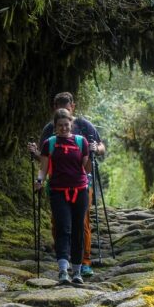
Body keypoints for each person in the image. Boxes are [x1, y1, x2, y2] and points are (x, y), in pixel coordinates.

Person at [28, 92, 105, 277]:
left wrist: (95, 149)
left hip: (82, 183)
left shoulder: (84, 127)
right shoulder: (49, 131)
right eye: (59, 106)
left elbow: (99, 149)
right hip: (58, 183)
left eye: (67, 106)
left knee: (82, 223)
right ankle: (64, 261)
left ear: (73, 108)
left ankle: (84, 262)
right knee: (60, 224)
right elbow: (45, 157)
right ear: (54, 108)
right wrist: (35, 157)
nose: (63, 110)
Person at [35, 109, 89, 284]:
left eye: (66, 125)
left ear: (71, 124)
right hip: (58, 191)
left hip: (80, 191)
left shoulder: (82, 142)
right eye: (60, 125)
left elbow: (86, 169)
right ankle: (63, 271)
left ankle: (77, 272)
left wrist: (92, 154)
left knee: (78, 229)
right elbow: (43, 168)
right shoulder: (49, 143)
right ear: (55, 126)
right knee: (63, 229)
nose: (64, 128)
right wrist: (39, 180)